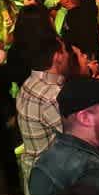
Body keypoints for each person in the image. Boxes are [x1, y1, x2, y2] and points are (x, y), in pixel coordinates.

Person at [16, 34, 70, 162]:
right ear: (57, 57)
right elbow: (75, 138)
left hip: (33, 168)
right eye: (65, 51)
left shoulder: (29, 82)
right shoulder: (51, 96)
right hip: (50, 173)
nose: (68, 56)